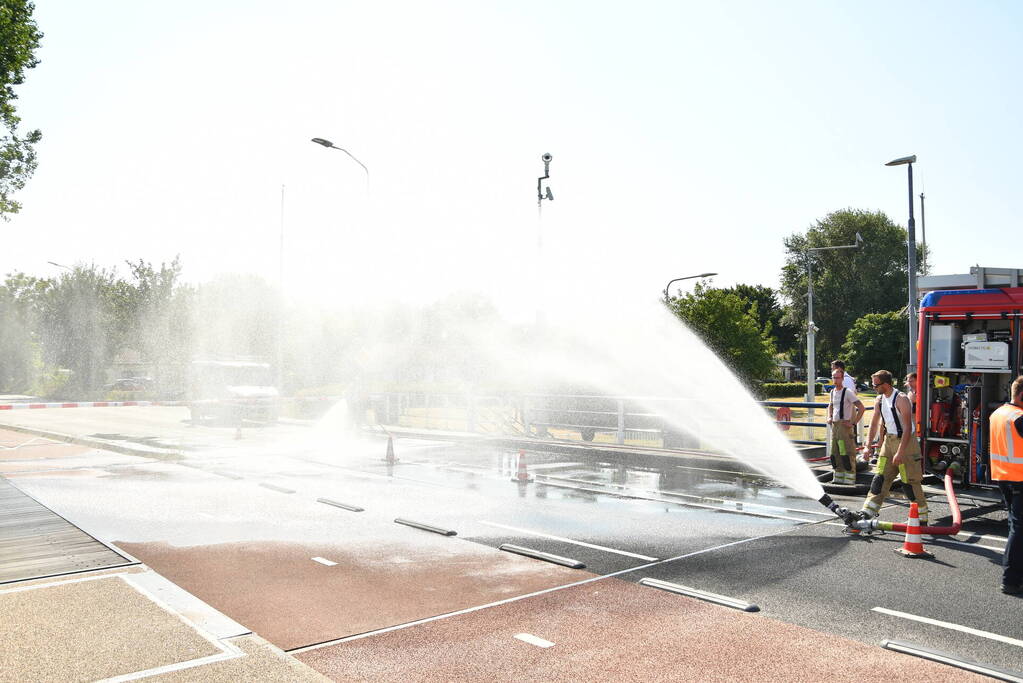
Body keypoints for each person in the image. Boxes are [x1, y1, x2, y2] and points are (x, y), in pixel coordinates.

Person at [859, 369, 928, 525]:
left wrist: (900, 452)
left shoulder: (901, 399)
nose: (874, 388)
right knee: (880, 478)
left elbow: (908, 429)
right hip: (888, 442)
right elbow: (874, 423)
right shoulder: (879, 400)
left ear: (886, 384)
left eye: (876, 385)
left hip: (906, 443)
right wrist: (867, 446)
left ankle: (921, 518)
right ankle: (867, 512)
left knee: (909, 482)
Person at [989, 375, 1023, 595]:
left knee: (1015, 526)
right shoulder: (1019, 417)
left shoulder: (998, 413)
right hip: (1020, 478)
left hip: (1003, 478)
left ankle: (1015, 577)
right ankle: (1010, 580)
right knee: (1018, 531)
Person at [827, 366, 864, 485]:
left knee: (846, 452)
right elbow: (831, 405)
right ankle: (838, 476)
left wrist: (853, 423)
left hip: (844, 426)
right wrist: (829, 417)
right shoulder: (832, 392)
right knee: (835, 452)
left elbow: (861, 407)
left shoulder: (847, 392)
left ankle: (849, 478)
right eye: (834, 377)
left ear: (842, 378)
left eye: (838, 378)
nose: (835, 380)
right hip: (835, 426)